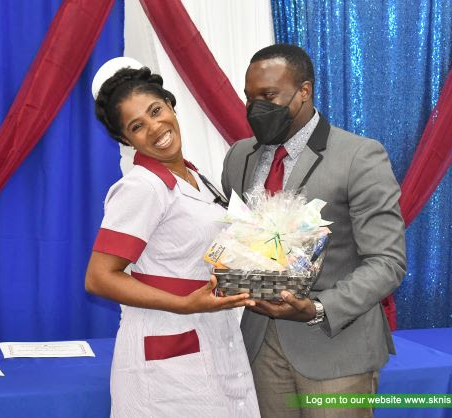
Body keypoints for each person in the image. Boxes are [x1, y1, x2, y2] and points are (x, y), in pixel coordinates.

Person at [221, 44, 407, 417]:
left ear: (304, 91)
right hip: (260, 344)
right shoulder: (239, 156)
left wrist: (319, 309)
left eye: (269, 96)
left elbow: (387, 262)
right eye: (250, 98)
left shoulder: (359, 156)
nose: (256, 108)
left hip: (336, 349)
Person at [85, 57, 260, 417]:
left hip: (214, 335)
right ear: (125, 139)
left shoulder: (197, 177)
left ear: (170, 105)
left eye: (156, 110)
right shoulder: (142, 187)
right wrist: (183, 304)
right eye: (137, 126)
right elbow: (99, 277)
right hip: (168, 353)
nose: (154, 127)